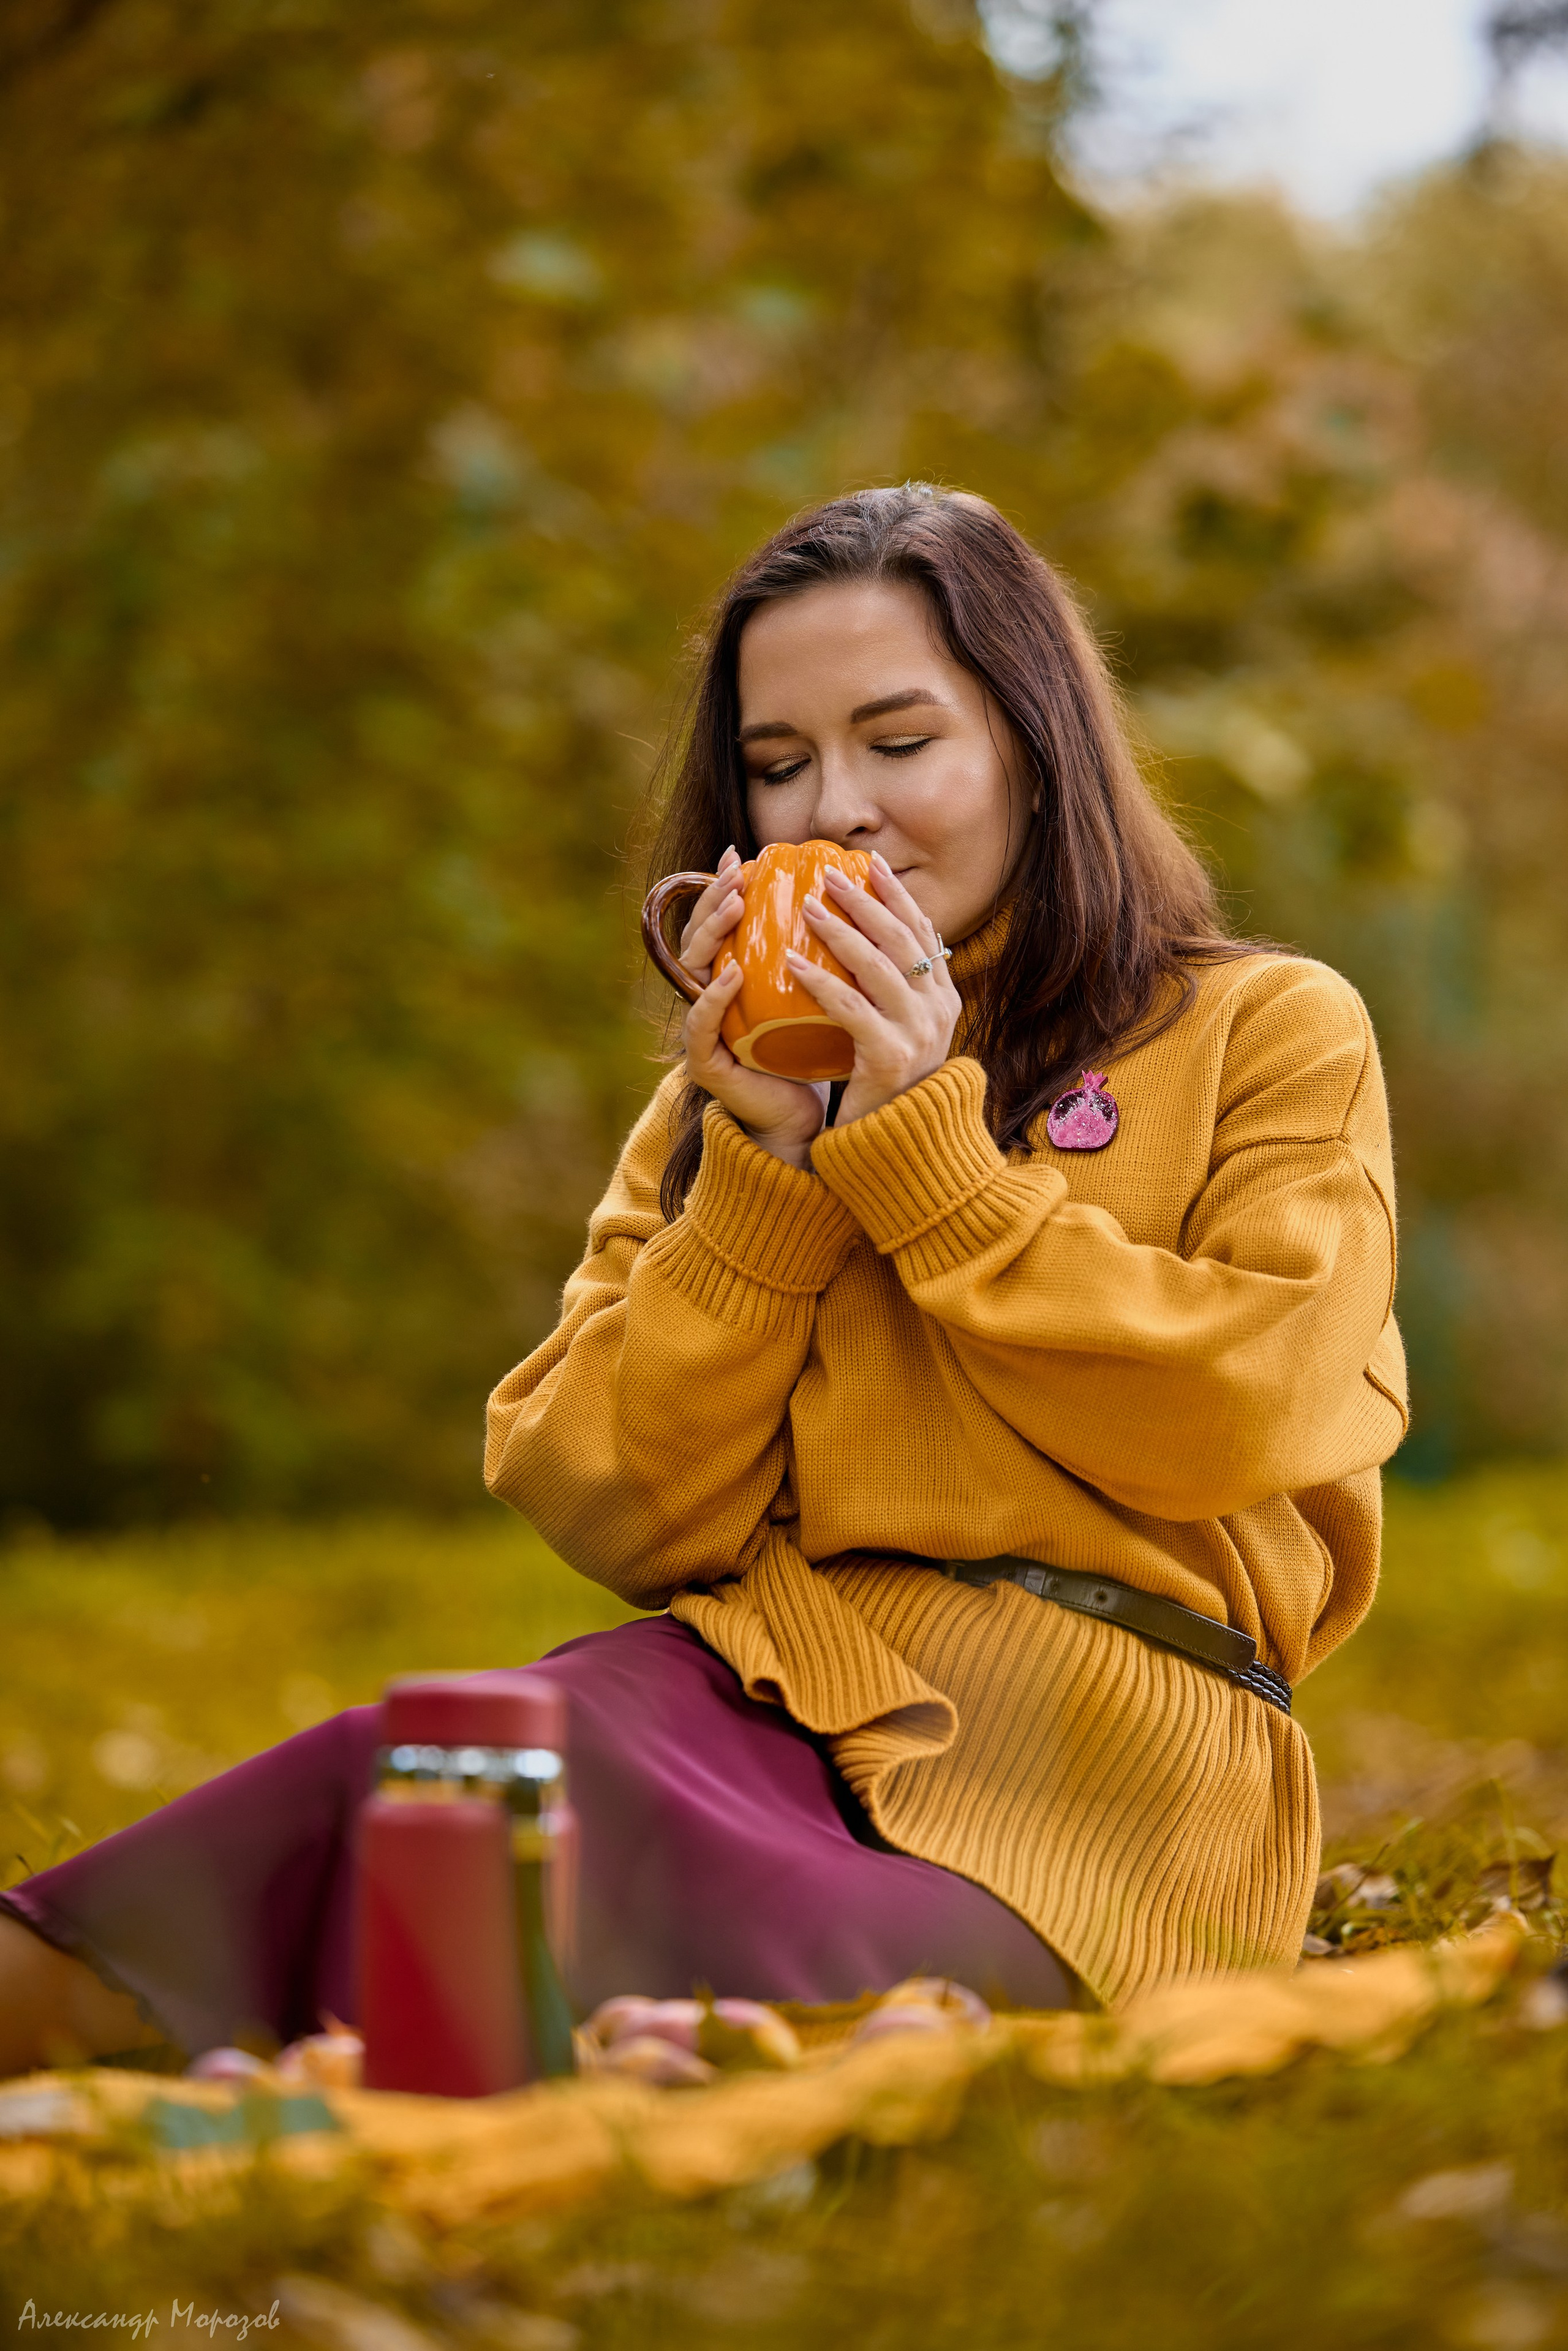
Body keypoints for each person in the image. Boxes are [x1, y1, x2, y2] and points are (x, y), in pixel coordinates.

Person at [0, 485, 1406, 2074]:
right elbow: (608, 1498)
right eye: (781, 762)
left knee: (577, 1899)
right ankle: (288, 2073)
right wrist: (771, 1181)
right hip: (743, 1692)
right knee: (428, 1780)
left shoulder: (1258, 1028)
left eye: (899, 740)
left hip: (1098, 1765)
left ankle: (464, 2076)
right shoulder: (720, 1109)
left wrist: (928, 1164)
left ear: (1032, 747)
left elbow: (1246, 1406)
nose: (837, 811)